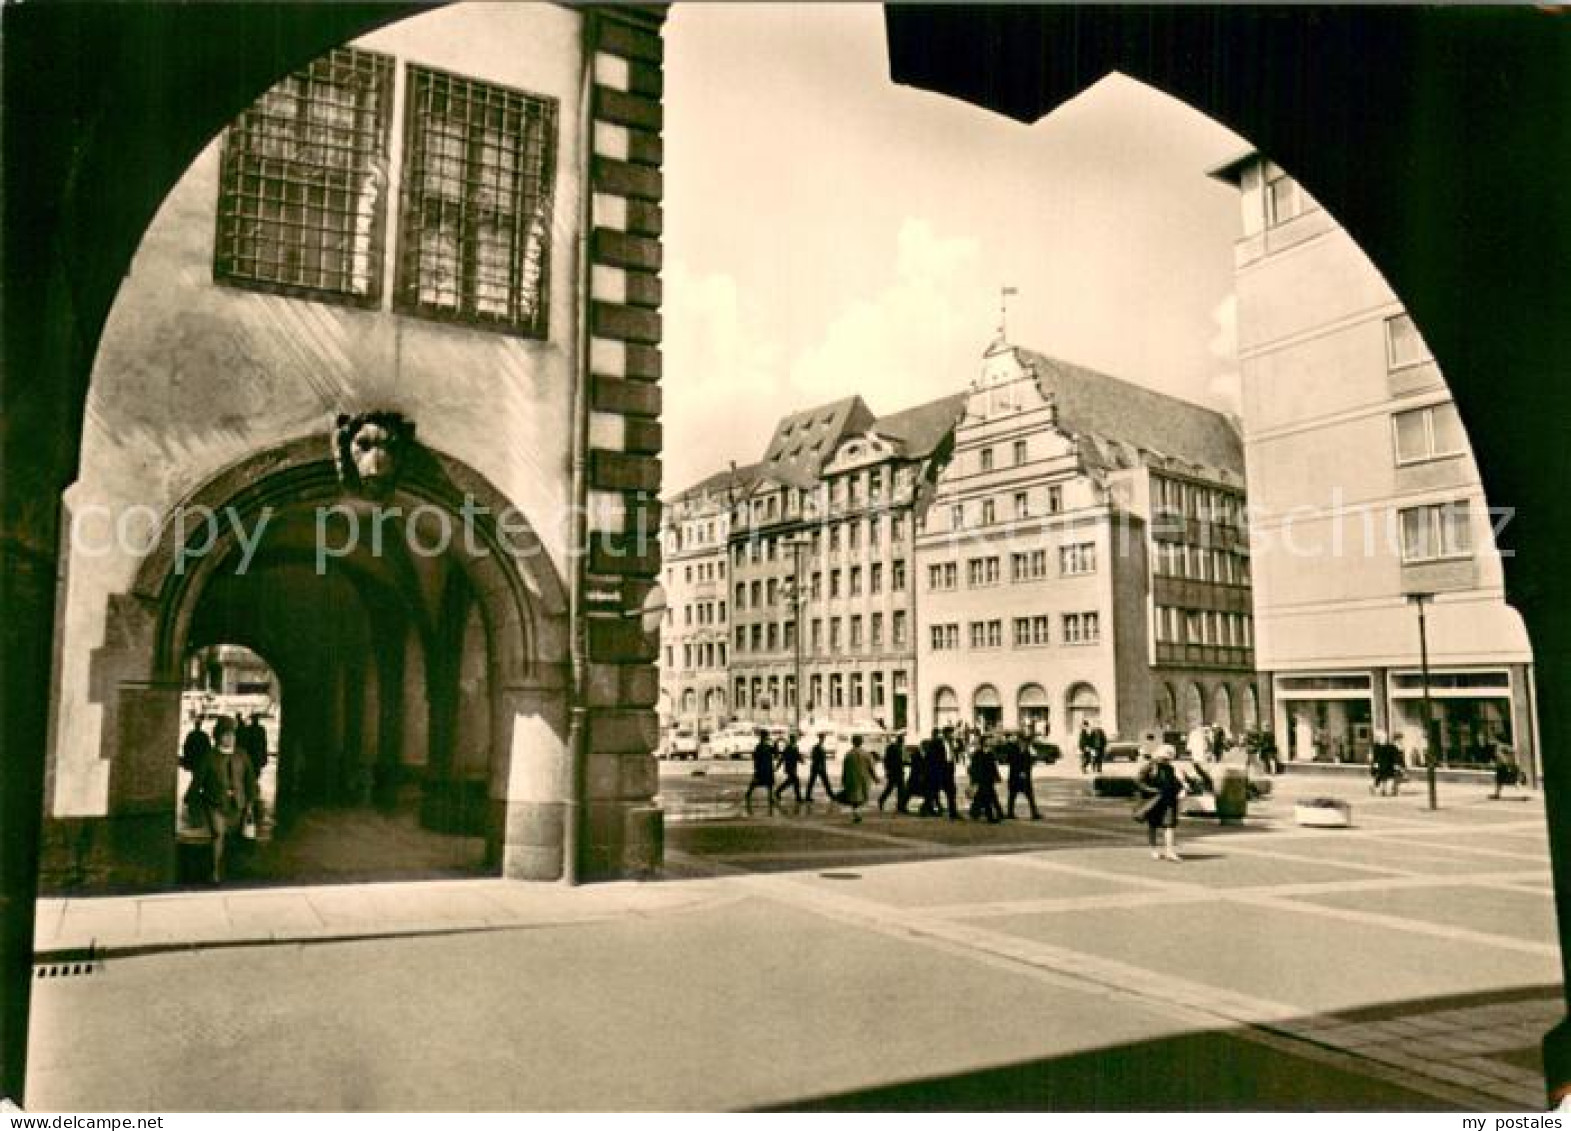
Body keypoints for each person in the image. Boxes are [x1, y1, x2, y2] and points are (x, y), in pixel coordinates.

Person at [192, 716, 258, 883]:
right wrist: (195, 804)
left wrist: (250, 805)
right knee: (218, 834)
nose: (230, 738)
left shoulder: (242, 755)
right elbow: (197, 782)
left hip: (238, 804)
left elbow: (250, 781)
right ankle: (214, 871)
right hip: (215, 803)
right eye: (225, 735)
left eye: (232, 735)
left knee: (234, 837)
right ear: (217, 736)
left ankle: (229, 867)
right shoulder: (209, 757)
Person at [1134, 745, 1188, 862]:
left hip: (1168, 800)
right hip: (1153, 801)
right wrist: (1151, 790)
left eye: (1168, 759)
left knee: (1169, 825)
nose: (1166, 761)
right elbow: (1139, 781)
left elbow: (1173, 782)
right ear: (1158, 756)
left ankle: (1169, 851)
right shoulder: (1149, 766)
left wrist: (1181, 789)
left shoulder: (1169, 768)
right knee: (1153, 825)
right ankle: (1153, 850)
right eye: (1164, 758)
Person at [837, 735, 879, 823]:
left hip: (852, 779)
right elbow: (871, 767)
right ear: (861, 742)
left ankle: (856, 813)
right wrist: (875, 778)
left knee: (855, 798)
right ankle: (857, 813)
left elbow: (844, 769)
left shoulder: (848, 754)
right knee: (861, 798)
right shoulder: (866, 754)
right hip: (863, 779)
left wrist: (843, 779)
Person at [1005, 734, 1043, 820]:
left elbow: (1032, 762)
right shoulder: (1013, 750)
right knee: (1012, 796)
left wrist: (1033, 754)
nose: (1024, 744)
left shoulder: (1027, 751)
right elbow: (1010, 761)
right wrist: (1020, 772)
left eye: (1025, 743)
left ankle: (1034, 813)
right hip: (1015, 777)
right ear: (1019, 742)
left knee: (1029, 796)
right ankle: (1010, 813)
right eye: (1022, 742)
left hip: (1025, 778)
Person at [967, 737, 1004, 823]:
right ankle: (990, 817)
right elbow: (973, 768)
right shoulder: (977, 754)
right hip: (981, 780)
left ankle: (975, 812)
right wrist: (974, 780)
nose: (990, 743)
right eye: (988, 741)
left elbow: (993, 767)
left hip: (989, 779)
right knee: (987, 798)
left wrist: (997, 776)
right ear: (983, 743)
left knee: (988, 797)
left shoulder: (990, 753)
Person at [744, 730, 776, 811]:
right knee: (757, 782)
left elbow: (775, 752)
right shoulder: (759, 747)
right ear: (763, 737)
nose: (766, 738)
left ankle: (770, 797)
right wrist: (757, 768)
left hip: (768, 767)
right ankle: (748, 793)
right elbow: (756, 758)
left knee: (769, 783)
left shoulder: (767, 746)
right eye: (765, 736)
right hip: (762, 768)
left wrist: (775, 743)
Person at [878, 733, 907, 812]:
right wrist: (887, 770)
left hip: (897, 772)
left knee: (898, 789)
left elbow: (887, 760)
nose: (903, 742)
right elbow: (887, 760)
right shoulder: (894, 748)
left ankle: (899, 805)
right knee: (894, 789)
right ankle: (899, 806)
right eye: (902, 740)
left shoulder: (895, 748)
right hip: (895, 772)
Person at [773, 732, 803, 806]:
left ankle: (778, 792)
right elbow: (782, 758)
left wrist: (801, 760)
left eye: (794, 739)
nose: (794, 740)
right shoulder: (788, 747)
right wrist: (777, 767)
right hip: (789, 768)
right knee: (796, 781)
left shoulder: (795, 747)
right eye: (793, 739)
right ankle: (798, 797)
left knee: (790, 781)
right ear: (791, 739)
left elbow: (797, 756)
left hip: (793, 767)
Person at [1370, 730, 1403, 796]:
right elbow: (1374, 756)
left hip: (1387, 764)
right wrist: (1375, 763)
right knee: (1380, 777)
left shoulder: (1389, 746)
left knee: (1385, 777)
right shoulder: (1376, 746)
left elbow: (1394, 754)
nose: (1384, 738)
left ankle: (1384, 790)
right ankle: (1378, 788)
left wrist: (1396, 763)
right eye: (1382, 737)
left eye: (1384, 737)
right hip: (1380, 764)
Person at [804, 733, 834, 803]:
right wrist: (820, 765)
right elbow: (815, 757)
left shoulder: (820, 746)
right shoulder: (817, 747)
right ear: (820, 738)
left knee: (819, 781)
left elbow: (820, 756)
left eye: (824, 738)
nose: (823, 739)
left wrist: (827, 756)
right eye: (823, 737)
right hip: (818, 767)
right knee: (819, 781)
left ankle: (831, 795)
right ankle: (831, 795)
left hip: (819, 767)